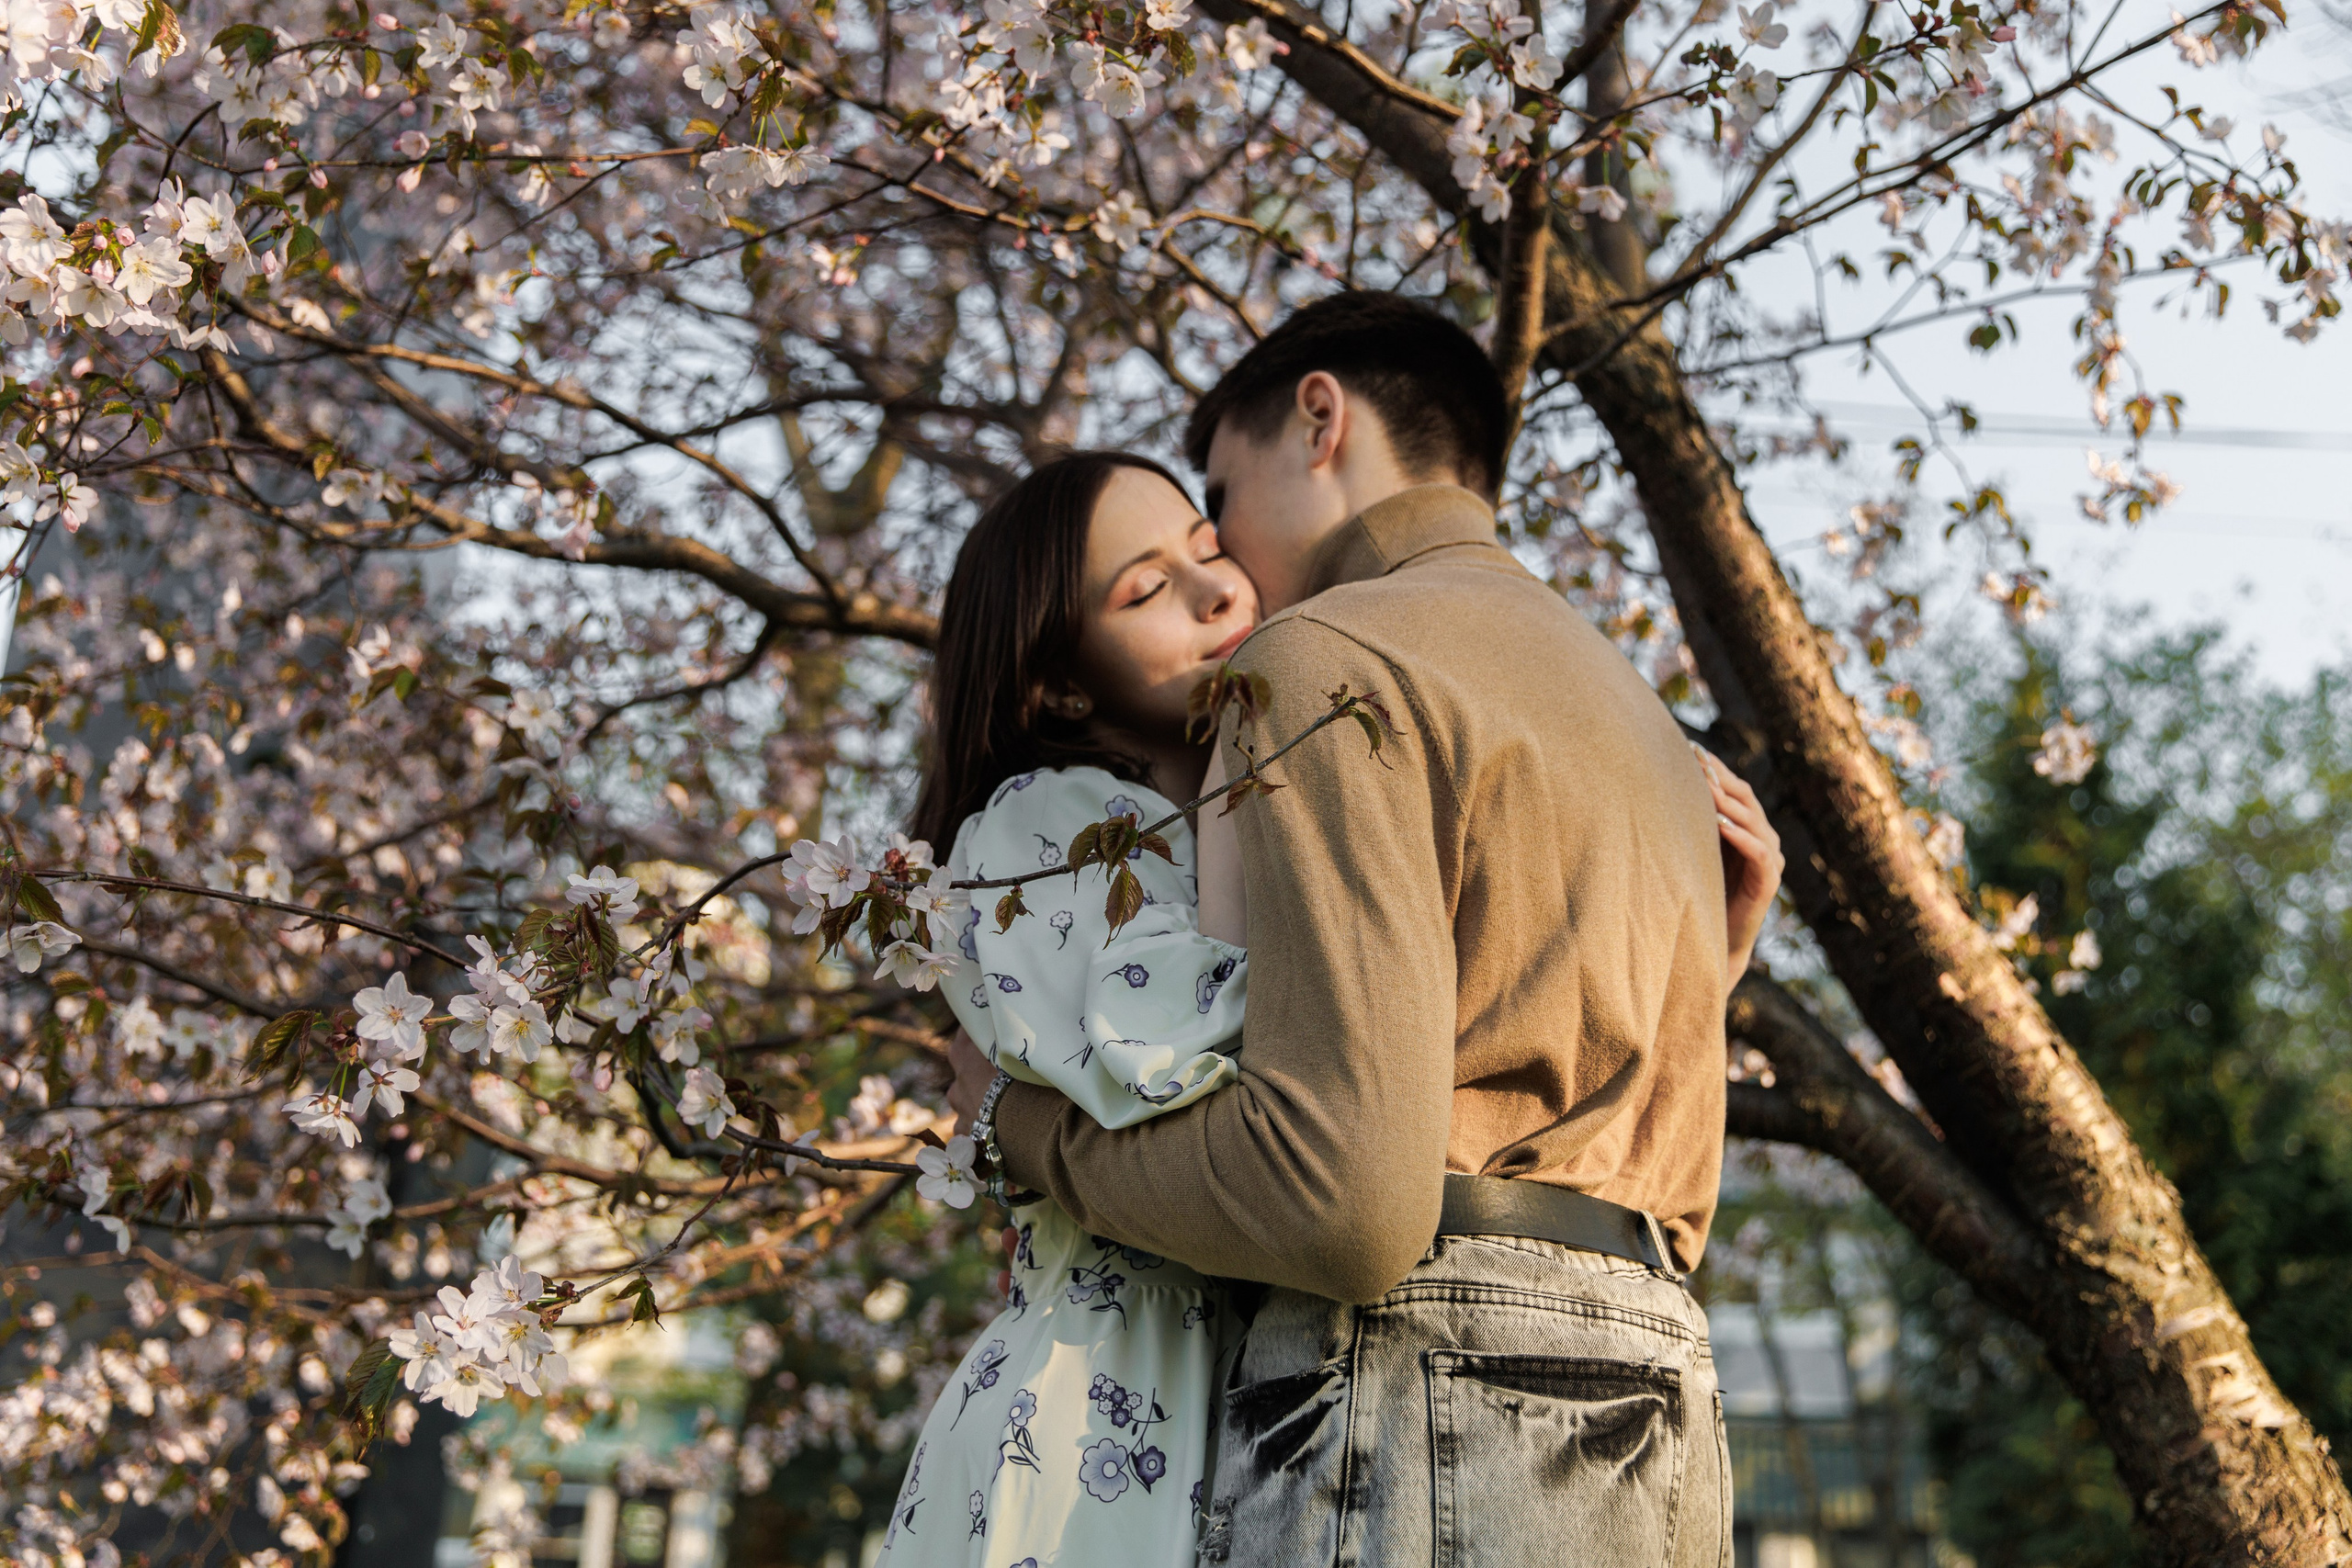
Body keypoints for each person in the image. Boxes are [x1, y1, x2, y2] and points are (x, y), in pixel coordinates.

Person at [949, 291, 1777, 1567]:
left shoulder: (1322, 664)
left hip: (1425, 1386)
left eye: (1216, 501)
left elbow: (1344, 1206)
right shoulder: (1638, 717)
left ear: (1318, 419)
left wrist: (1025, 1132)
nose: (1225, 560)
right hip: (1659, 1399)